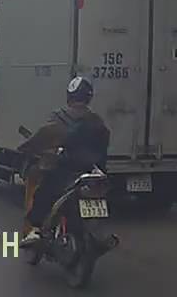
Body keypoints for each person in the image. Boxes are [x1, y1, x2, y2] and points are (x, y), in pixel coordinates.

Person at [18, 76, 110, 248]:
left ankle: (36, 229)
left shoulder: (59, 117)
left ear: (69, 96)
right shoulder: (97, 121)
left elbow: (42, 137)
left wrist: (27, 148)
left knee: (44, 192)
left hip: (67, 171)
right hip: (93, 171)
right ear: (89, 97)